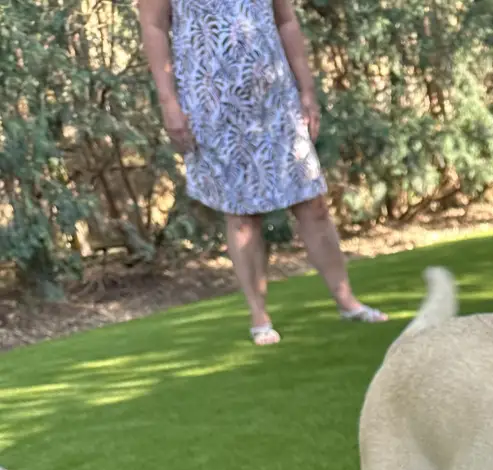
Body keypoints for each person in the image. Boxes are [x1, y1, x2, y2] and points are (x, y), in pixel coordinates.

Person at [137, 0, 387, 345]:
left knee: (312, 204)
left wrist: (307, 90)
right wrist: (169, 103)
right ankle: (259, 316)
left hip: (276, 99)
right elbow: (153, 27)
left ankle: (347, 301)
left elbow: (285, 20)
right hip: (211, 103)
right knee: (242, 216)